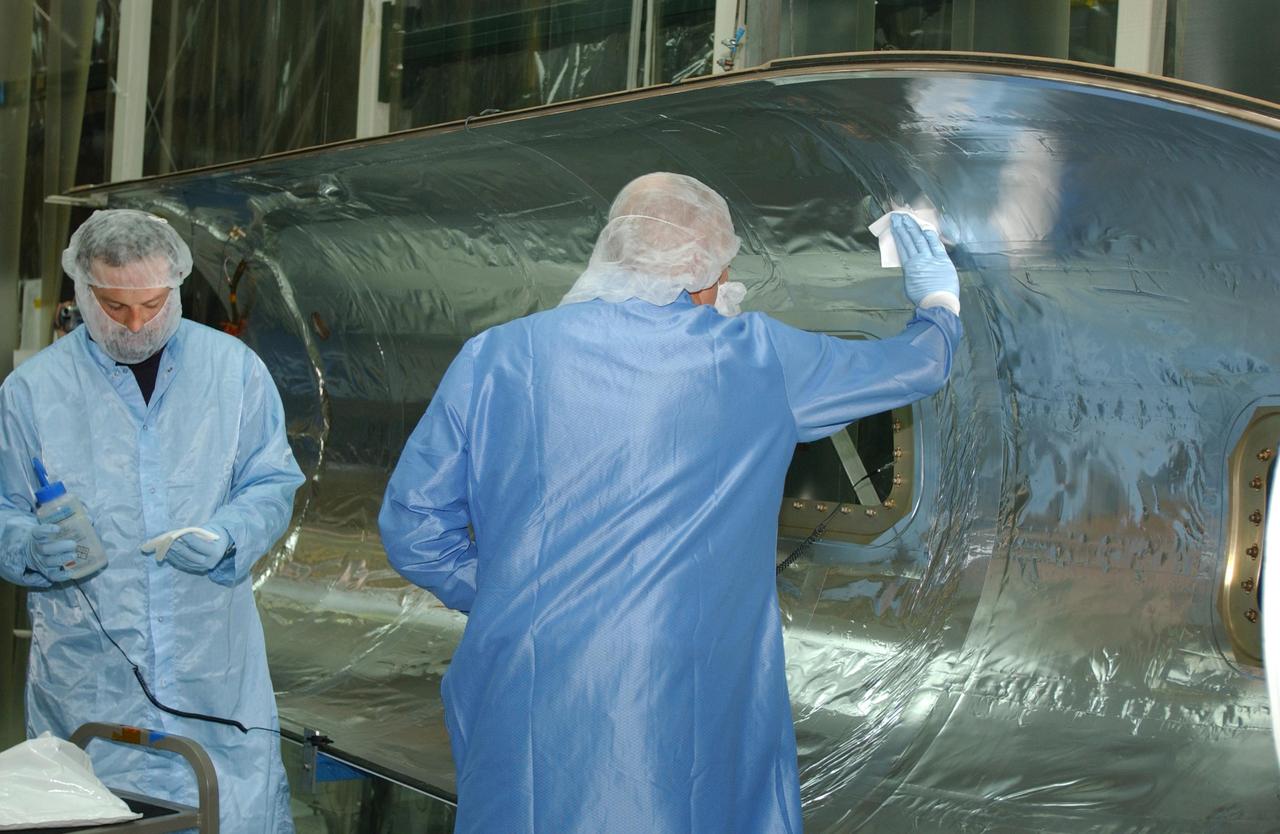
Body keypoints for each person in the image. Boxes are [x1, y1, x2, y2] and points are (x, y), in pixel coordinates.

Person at [378, 172, 963, 833]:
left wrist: (505, 594)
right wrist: (938, 298)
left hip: (524, 678)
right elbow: (921, 365)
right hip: (684, 689)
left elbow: (413, 526)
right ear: (703, 269)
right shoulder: (758, 357)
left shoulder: (495, 357)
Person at [0, 210, 303, 832]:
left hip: (211, 671)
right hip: (89, 678)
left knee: (227, 813)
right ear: (83, 293)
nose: (136, 325)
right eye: (114, 307)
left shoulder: (234, 371)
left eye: (152, 305)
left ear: (177, 286)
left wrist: (229, 537)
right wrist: (28, 546)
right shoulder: (32, 391)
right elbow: (4, 508)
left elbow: (271, 481)